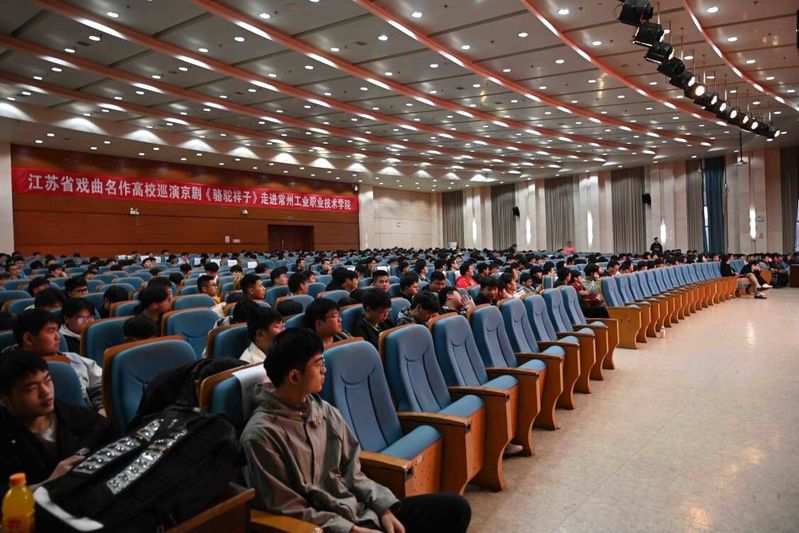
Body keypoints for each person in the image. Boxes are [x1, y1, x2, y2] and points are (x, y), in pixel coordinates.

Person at [240, 329, 471, 533]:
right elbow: (286, 508)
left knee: (455, 508)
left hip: (360, 512)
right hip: (327, 526)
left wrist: (383, 508)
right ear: (294, 376)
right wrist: (349, 529)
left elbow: (353, 472)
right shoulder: (262, 436)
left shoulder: (324, 410)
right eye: (318, 364)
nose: (325, 370)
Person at [0, 350, 114, 495]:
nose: (46, 392)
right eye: (32, 388)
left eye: (47, 380)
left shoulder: (79, 417)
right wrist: (49, 483)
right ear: (4, 400)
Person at [13, 309, 104, 415]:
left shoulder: (75, 359)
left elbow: (100, 384)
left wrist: (102, 408)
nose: (58, 337)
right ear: (29, 339)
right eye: (51, 331)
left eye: (57, 331)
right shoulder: (12, 370)